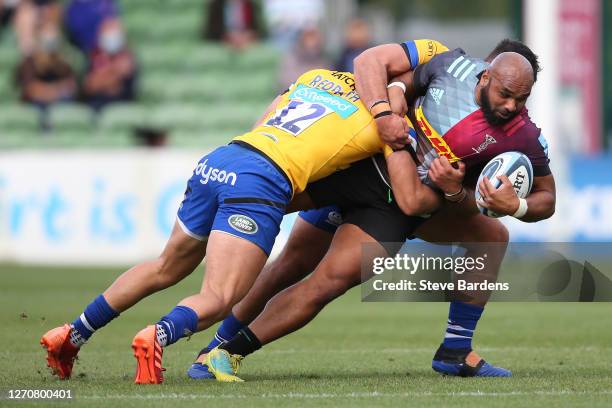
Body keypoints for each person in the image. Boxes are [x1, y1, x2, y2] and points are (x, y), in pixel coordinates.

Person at [39, 40, 449, 384]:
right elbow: (406, 186)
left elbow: (270, 112)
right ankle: (158, 335)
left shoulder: (316, 78)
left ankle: (72, 333)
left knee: (165, 266)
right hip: (264, 181)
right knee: (218, 296)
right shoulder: (384, 119)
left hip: (226, 156)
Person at [190, 39, 556, 381]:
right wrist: (389, 107)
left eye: (520, 98)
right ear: (485, 72)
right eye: (504, 93)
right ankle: (206, 334)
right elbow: (382, 70)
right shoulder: (448, 63)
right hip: (357, 166)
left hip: (401, 205)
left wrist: (513, 204)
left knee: (329, 282)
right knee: (289, 260)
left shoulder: (523, 137)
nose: (510, 105)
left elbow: (544, 198)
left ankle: (455, 349)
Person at [15, 24, 77, 130]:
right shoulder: (30, 62)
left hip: (60, 104)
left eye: (53, 35)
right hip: (35, 105)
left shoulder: (63, 62)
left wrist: (51, 92)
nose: (50, 39)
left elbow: (71, 86)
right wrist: (55, 90)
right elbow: (31, 89)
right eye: (47, 35)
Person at [82, 17, 137, 112]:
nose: (110, 36)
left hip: (122, 106)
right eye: (107, 32)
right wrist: (114, 73)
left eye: (113, 32)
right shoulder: (93, 55)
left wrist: (102, 77)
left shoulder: (129, 57)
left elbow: (126, 87)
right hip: (96, 106)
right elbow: (89, 86)